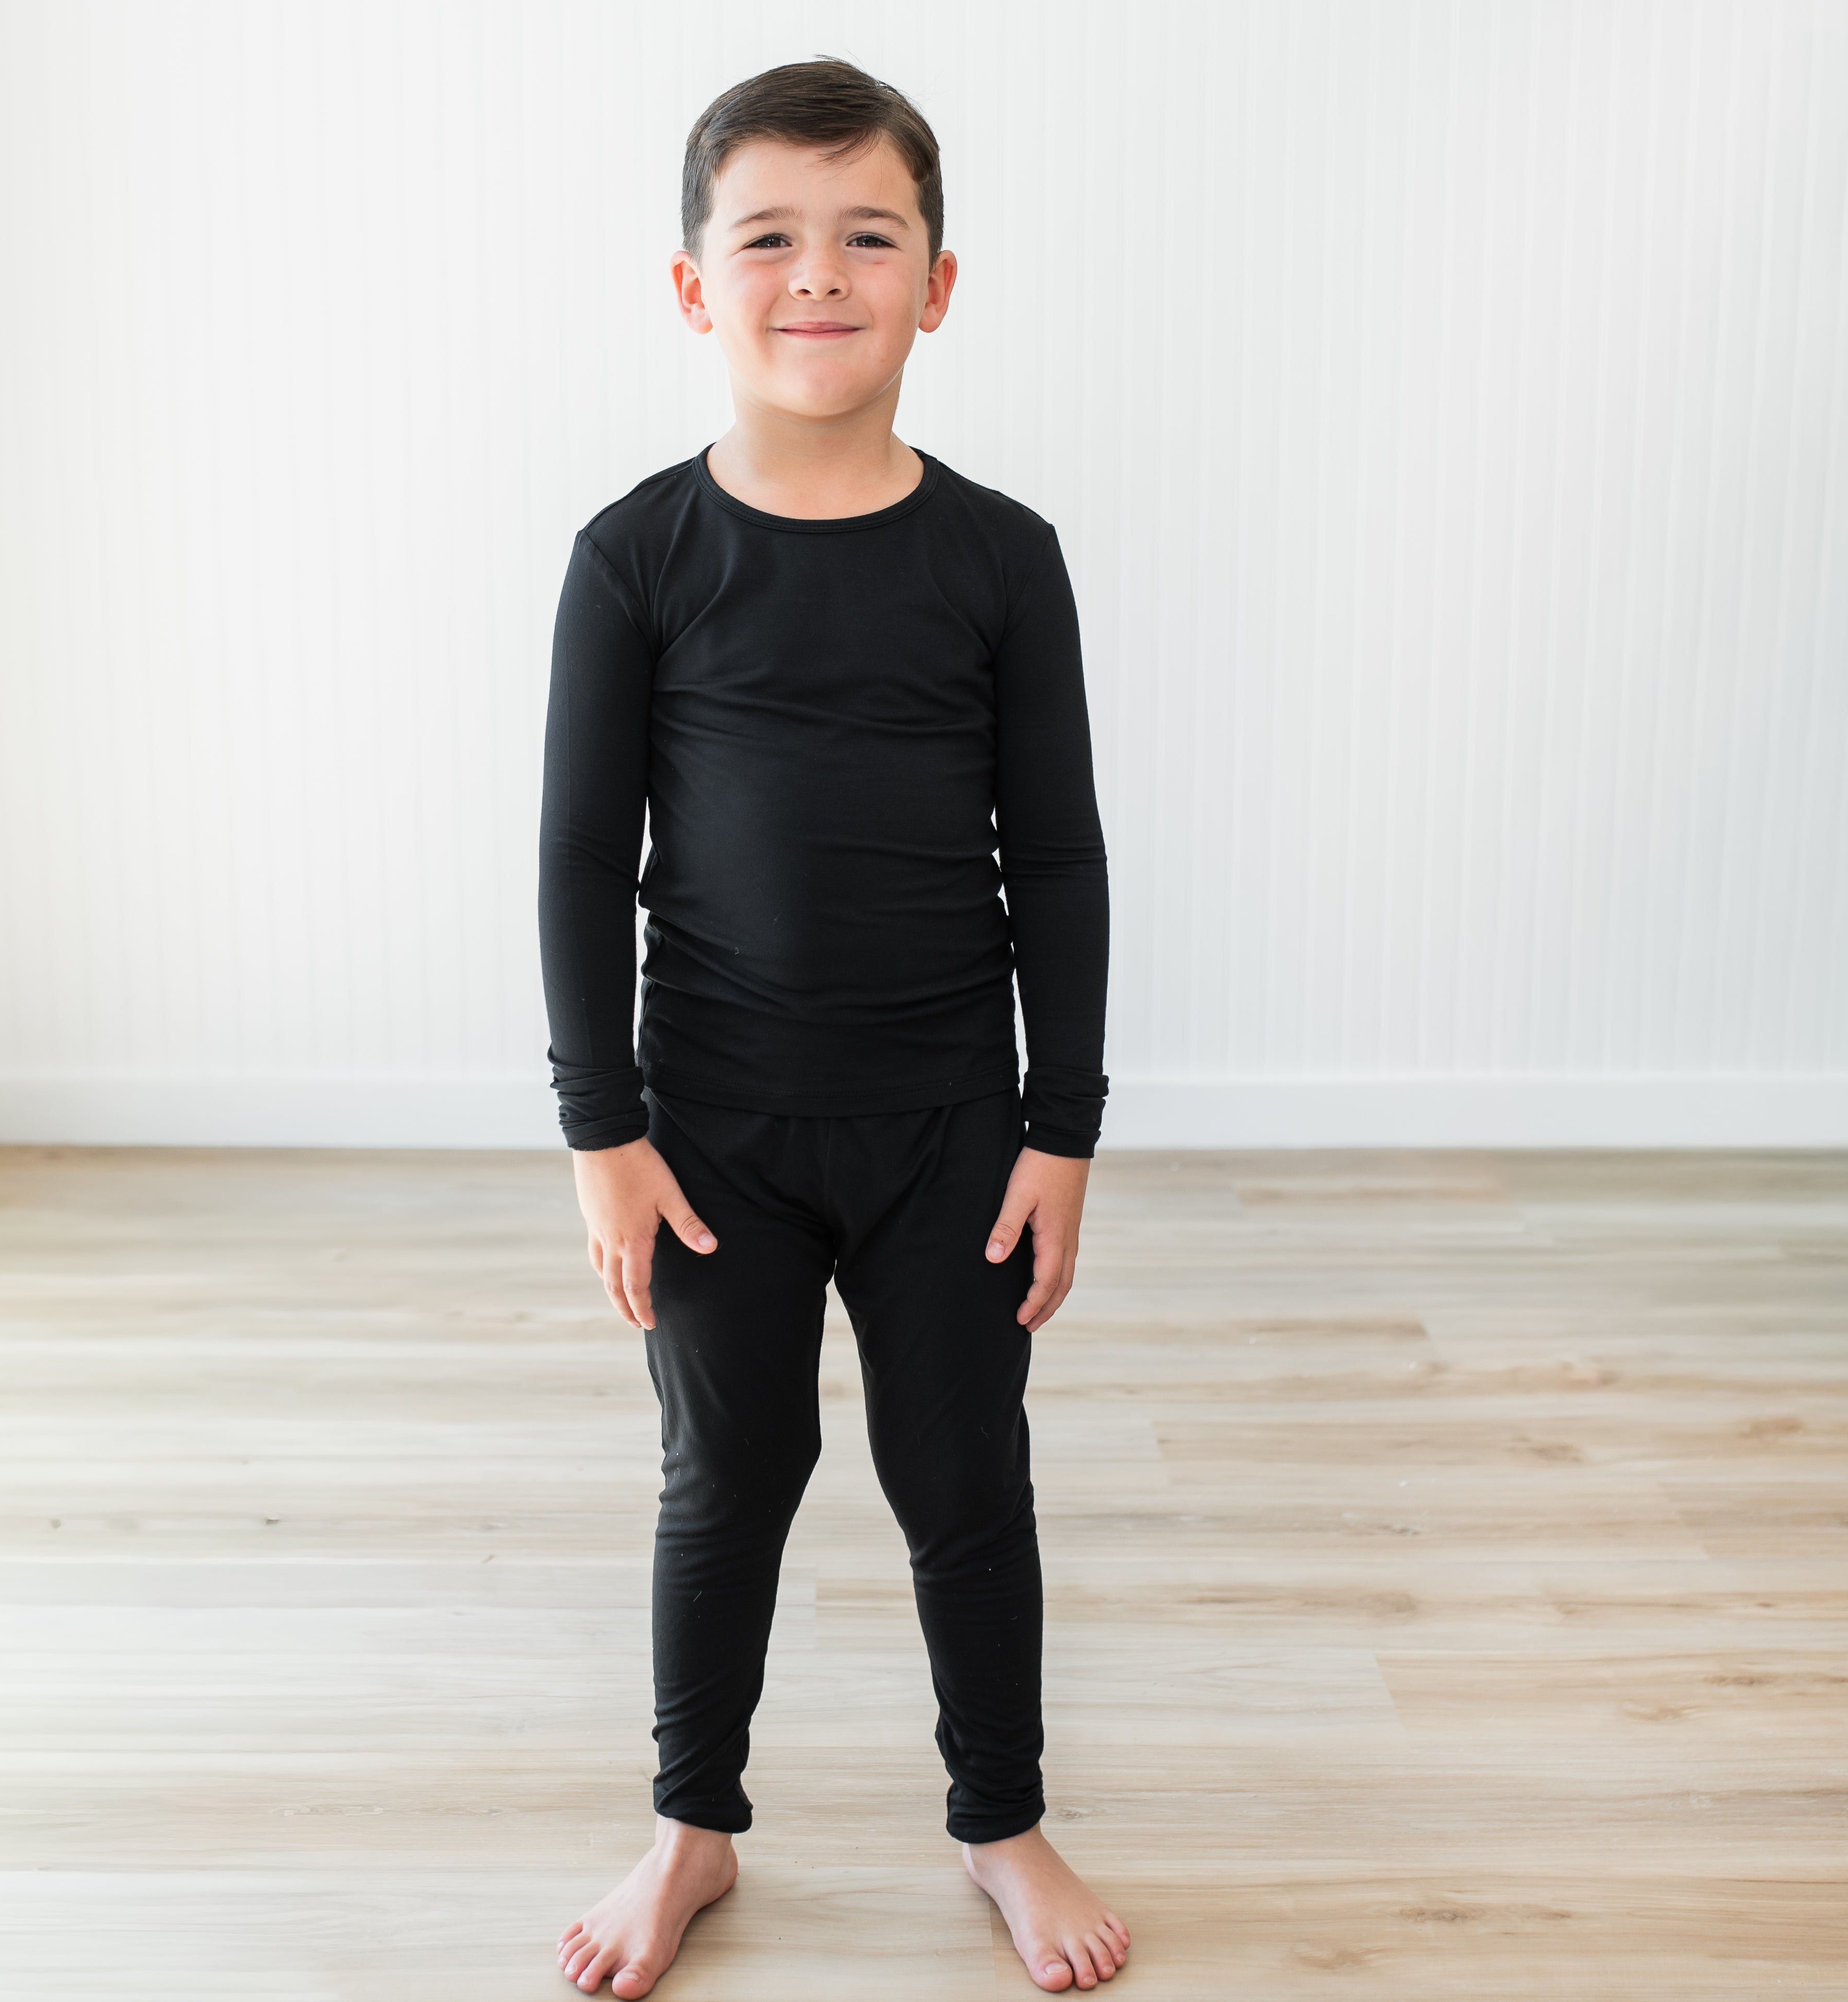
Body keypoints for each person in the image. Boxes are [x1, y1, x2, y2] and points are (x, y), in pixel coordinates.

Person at [538, 56, 1125, 2000]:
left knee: (965, 1479)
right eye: (768, 238)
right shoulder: (637, 558)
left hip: (952, 1122)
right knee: (730, 1477)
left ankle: (1001, 1820)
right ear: (693, 288)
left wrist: (1062, 1127)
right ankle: (690, 1826)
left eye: (869, 236)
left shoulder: (1001, 557)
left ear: (936, 286)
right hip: (712, 1129)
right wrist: (605, 1135)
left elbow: (1058, 854)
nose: (818, 275)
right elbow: (578, 864)